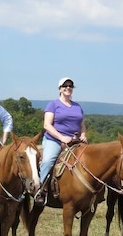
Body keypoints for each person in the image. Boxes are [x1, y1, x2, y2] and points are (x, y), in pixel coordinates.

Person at [35, 77, 87, 205]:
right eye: (65, 85)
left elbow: (82, 124)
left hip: (75, 141)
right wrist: (62, 137)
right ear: (60, 89)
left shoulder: (77, 106)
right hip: (55, 140)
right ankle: (40, 190)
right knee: (48, 161)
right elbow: (47, 125)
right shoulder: (53, 105)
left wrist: (84, 134)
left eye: (70, 86)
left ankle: (93, 192)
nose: (68, 88)